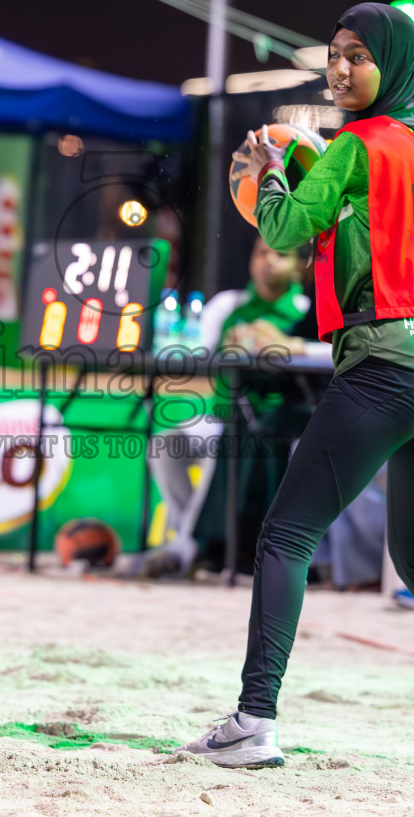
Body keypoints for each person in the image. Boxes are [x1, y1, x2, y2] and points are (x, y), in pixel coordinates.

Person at [179, 3, 414, 771]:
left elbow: (280, 231)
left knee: (284, 535)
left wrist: (268, 176)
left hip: (389, 364)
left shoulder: (361, 143)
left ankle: (253, 722)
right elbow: (390, 237)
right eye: (334, 55)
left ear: (392, 66)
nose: (340, 69)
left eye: (357, 58)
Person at [145, 236, 311, 575]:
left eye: (280, 254)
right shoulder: (228, 306)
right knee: (165, 445)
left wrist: (282, 346)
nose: (268, 260)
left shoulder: (307, 313)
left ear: (298, 266)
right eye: (261, 252)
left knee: (223, 446)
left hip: (277, 423)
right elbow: (199, 360)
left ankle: (186, 550)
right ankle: (189, 538)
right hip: (220, 413)